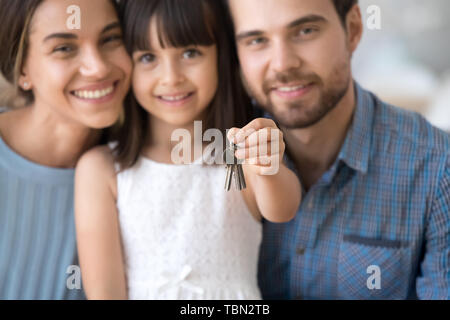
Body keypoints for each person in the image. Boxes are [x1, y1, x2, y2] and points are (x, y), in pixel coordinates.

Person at [74, 0, 301, 300]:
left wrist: (268, 166)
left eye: (190, 53)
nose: (171, 77)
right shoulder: (102, 169)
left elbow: (282, 209)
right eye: (147, 58)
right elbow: (105, 293)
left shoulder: (235, 152)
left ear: (222, 56)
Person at [224, 0, 450, 299]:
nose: (282, 63)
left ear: (353, 28)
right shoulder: (215, 152)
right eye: (257, 40)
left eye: (305, 30)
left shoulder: (437, 167)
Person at [0, 0, 131, 299]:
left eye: (110, 39)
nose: (97, 67)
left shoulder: (138, 168)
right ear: (22, 69)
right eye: (64, 48)